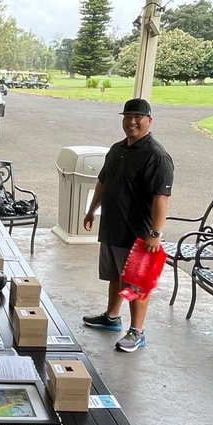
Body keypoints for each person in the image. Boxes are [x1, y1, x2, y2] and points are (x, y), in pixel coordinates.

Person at [82, 97, 174, 354]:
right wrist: (92, 210)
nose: (131, 121)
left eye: (138, 117)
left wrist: (155, 234)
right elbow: (103, 182)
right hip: (112, 228)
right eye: (127, 116)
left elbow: (160, 199)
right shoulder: (117, 149)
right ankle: (112, 317)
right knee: (115, 276)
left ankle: (137, 331)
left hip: (139, 234)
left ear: (149, 120)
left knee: (136, 284)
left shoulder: (156, 156)